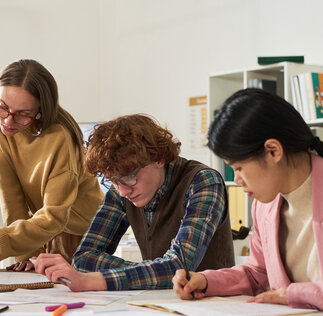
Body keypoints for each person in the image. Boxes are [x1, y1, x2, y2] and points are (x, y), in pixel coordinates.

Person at [173, 88, 323, 315]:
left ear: (273, 151)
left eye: (238, 168)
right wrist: (206, 281)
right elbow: (258, 273)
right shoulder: (265, 206)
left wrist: (297, 294)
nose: (236, 179)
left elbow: (286, 292)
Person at [34, 114, 234, 291]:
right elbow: (84, 258)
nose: (122, 190)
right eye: (112, 180)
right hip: (158, 304)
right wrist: (150, 272)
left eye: (129, 177)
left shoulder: (203, 182)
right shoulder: (121, 189)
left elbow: (178, 266)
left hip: (215, 305)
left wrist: (92, 281)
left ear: (160, 157)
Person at [0, 59, 104, 278]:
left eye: (23, 114)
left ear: (40, 110)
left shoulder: (60, 138)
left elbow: (55, 217)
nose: (8, 121)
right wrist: (23, 255)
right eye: (3, 106)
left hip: (75, 231)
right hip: (37, 224)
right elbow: (8, 190)